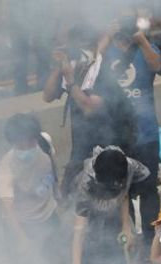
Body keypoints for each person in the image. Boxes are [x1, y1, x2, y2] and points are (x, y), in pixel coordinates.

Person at [43, 25, 136, 194]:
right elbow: (47, 96)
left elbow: (89, 108)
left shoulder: (103, 73)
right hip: (81, 146)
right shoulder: (75, 68)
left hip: (109, 148)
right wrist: (58, 69)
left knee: (111, 197)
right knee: (74, 195)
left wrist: (71, 81)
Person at [105, 10, 161, 251]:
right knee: (121, 191)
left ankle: (151, 241)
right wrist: (106, 39)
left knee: (149, 188)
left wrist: (141, 40)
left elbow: (157, 65)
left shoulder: (148, 47)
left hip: (146, 132)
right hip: (116, 134)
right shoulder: (107, 51)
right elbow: (91, 72)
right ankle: (126, 236)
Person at [67, 146, 150, 264]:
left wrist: (126, 226)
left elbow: (124, 194)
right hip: (90, 215)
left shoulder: (128, 167)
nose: (116, 186)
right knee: (92, 248)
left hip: (114, 212)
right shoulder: (85, 184)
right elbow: (79, 231)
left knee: (125, 246)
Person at [0, 113, 61, 264]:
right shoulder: (6, 166)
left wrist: (57, 197)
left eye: (30, 142)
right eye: (20, 144)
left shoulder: (45, 145)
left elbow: (53, 173)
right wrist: (22, 239)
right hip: (21, 223)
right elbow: (7, 209)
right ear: (12, 143)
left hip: (48, 216)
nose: (26, 148)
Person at [9, 0, 54, 94]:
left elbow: (46, 10)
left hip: (41, 26)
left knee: (43, 55)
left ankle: (43, 85)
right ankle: (21, 89)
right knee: (19, 60)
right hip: (19, 29)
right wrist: (28, 29)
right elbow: (15, 13)